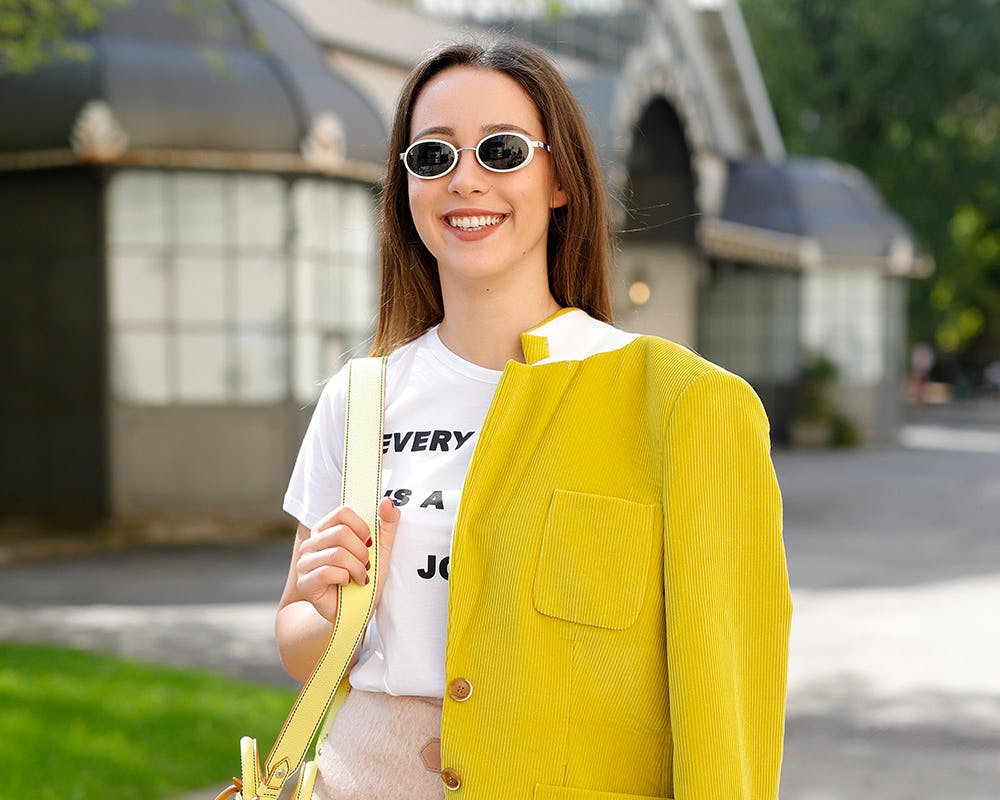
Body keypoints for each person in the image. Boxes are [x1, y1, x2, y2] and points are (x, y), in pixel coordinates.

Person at [277, 37, 791, 800]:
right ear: (405, 186)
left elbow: (727, 713)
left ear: (559, 181)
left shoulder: (682, 405)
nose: (466, 181)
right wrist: (330, 607)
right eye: (433, 157)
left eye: (502, 151)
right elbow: (297, 644)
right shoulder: (358, 400)